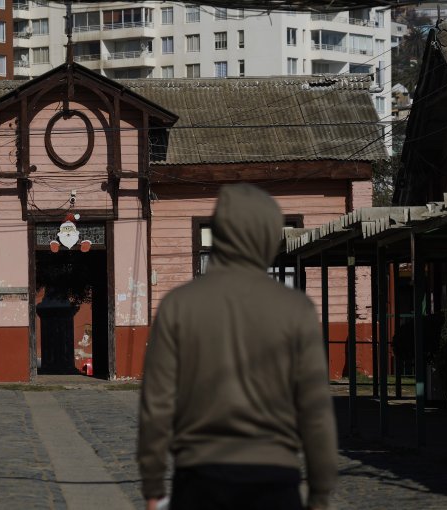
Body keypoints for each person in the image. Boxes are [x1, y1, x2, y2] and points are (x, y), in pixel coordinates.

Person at [138, 184, 337, 510]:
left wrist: (153, 485)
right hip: (275, 480)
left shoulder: (178, 306)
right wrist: (320, 493)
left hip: (199, 480)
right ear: (267, 235)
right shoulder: (296, 309)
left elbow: (156, 405)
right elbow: (315, 410)